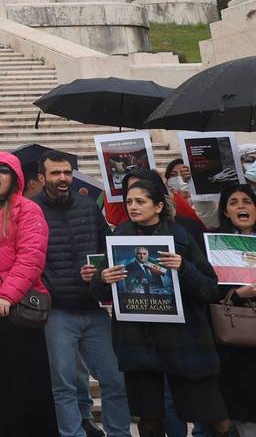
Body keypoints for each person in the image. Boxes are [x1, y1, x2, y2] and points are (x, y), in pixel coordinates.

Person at [90, 172, 227, 436]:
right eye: (129, 201)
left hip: (184, 339)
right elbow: (98, 291)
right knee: (149, 418)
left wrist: (183, 266)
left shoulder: (181, 235)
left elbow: (210, 288)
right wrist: (102, 278)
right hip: (139, 341)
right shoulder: (120, 235)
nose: (133, 207)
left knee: (213, 416)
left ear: (159, 206)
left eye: (140, 201)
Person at [31, 150, 131, 437]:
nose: (63, 178)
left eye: (67, 172)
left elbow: (107, 248)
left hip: (93, 307)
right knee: (64, 384)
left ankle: (119, 433)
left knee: (114, 379)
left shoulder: (89, 206)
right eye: (55, 173)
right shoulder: (31, 210)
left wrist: (100, 271)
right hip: (58, 312)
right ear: (42, 178)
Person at [0, 151, 53, 437]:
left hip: (14, 308)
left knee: (29, 383)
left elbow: (31, 257)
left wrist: (7, 295)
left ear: (15, 179)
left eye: (2, 171)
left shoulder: (28, 209)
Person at [209, 182, 256, 433]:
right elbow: (209, 290)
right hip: (236, 338)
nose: (241, 207)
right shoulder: (216, 244)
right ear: (226, 212)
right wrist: (237, 295)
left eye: (247, 202)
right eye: (234, 202)